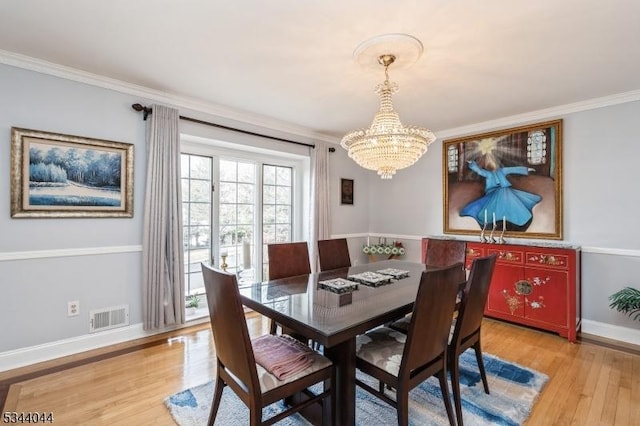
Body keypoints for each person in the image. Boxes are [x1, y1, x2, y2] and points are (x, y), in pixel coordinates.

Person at [460, 160, 541, 230]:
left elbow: (514, 169)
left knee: (506, 193)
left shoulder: (502, 170)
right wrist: (472, 164)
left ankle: (516, 217)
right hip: (493, 192)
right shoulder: (487, 173)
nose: (493, 166)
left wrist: (526, 169)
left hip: (504, 191)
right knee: (501, 194)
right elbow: (479, 171)